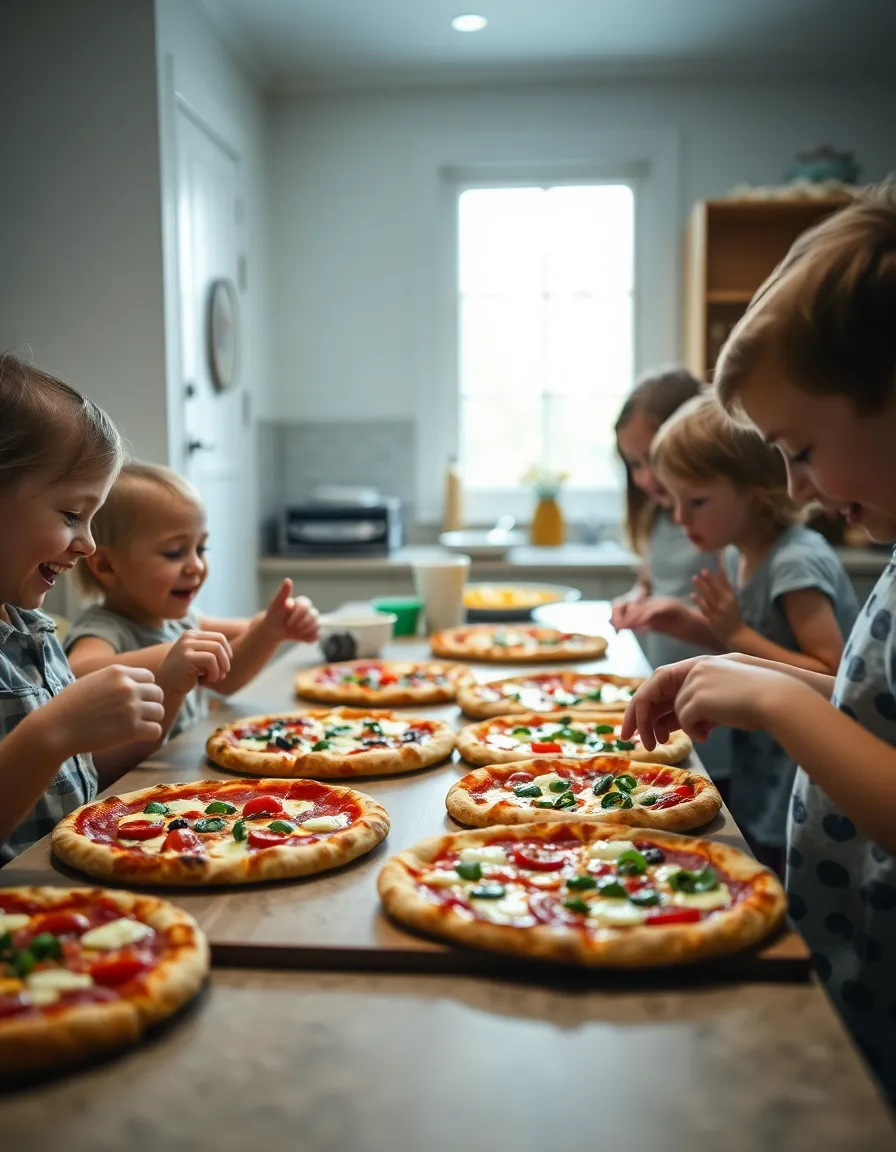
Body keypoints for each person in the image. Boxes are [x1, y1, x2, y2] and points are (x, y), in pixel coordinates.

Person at [620, 184, 896, 1100]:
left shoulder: (803, 556)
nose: (796, 485)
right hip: (855, 958)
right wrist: (734, 663)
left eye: (803, 448)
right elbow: (872, 721)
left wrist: (774, 692)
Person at [0, 354, 232, 861]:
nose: (86, 544)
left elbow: (88, 779)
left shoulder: (32, 631)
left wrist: (169, 688)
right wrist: (51, 730)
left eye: (92, 519)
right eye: (70, 514)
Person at [645, 392, 857, 868]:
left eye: (696, 501)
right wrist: (692, 626)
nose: (680, 519)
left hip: (806, 767)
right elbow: (765, 648)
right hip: (761, 756)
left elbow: (836, 674)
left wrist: (735, 633)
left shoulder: (795, 562)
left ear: (757, 491)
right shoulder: (740, 552)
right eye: (673, 500)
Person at [66, 462, 320, 737]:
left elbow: (227, 673)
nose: (196, 566)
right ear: (106, 566)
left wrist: (274, 626)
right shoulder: (103, 629)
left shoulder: (184, 621)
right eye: (174, 552)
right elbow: (77, 671)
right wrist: (170, 656)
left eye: (200, 548)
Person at [611, 367, 730, 784]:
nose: (644, 477)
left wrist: (680, 618)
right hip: (666, 695)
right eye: (633, 464)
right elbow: (651, 578)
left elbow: (746, 638)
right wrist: (636, 595)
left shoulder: (722, 523)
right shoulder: (662, 517)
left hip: (715, 714)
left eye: (652, 460)